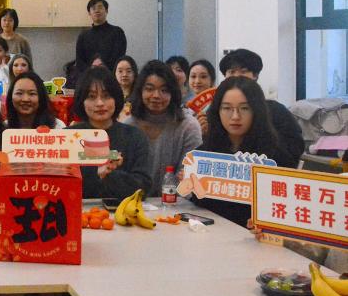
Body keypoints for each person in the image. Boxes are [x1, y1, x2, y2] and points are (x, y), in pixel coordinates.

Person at [193, 76, 287, 225]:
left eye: (244, 108)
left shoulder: (275, 156)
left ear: (257, 111)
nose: (235, 116)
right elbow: (200, 206)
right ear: (217, 111)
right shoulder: (205, 152)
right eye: (227, 108)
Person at [68, 66, 152, 201]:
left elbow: (143, 187)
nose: (100, 103)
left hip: (124, 211)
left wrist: (110, 175)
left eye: (106, 96)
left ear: (116, 98)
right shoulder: (68, 137)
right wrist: (96, 174)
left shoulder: (135, 137)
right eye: (91, 97)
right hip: (78, 210)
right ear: (81, 101)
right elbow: (61, 185)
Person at [210, 49, 305, 166]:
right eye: (232, 72)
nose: (237, 77)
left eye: (243, 72)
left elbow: (294, 148)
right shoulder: (216, 109)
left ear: (255, 75)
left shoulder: (276, 111)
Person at [122, 61, 202, 196]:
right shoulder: (129, 126)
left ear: (173, 93)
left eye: (164, 90)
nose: (156, 95)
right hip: (133, 202)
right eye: (149, 89)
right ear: (140, 91)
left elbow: (188, 180)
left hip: (176, 203)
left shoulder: (188, 127)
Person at [73, 0, 127, 82]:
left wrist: (102, 70)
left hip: (112, 79)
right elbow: (79, 61)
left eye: (100, 7)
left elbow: (119, 57)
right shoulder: (83, 36)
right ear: (89, 13)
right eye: (93, 8)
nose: (97, 11)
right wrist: (91, 73)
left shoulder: (117, 32)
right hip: (89, 80)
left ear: (106, 11)